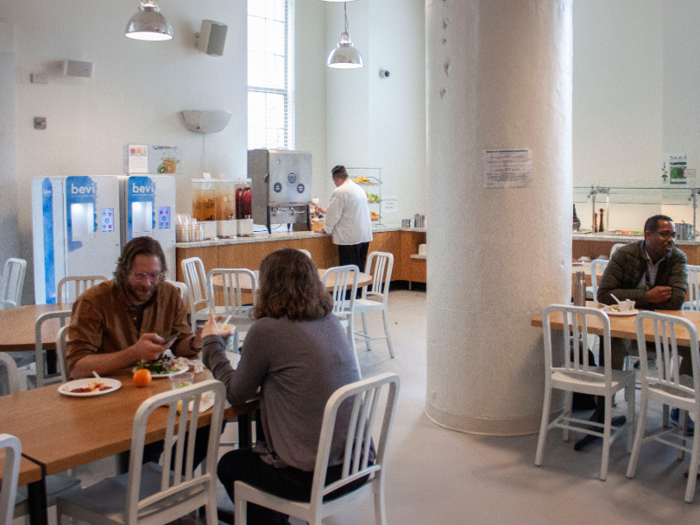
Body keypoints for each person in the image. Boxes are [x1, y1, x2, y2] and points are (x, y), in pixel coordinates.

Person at [201, 248, 368, 525]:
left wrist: (211, 344)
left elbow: (236, 394)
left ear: (267, 287)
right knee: (258, 451)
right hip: (356, 464)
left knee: (230, 465)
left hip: (310, 477)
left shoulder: (267, 330)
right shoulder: (331, 321)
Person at [66, 236, 205, 469]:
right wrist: (133, 353)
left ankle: (169, 478)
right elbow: (77, 368)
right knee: (149, 434)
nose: (148, 283)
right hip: (109, 398)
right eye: (140, 275)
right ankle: (148, 486)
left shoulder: (169, 295)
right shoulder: (94, 302)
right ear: (123, 272)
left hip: (154, 391)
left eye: (155, 275)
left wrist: (197, 342)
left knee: (210, 419)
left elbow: (181, 342)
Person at [596, 214, 692, 431]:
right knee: (611, 337)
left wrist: (631, 299)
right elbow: (605, 293)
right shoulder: (625, 254)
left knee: (694, 347)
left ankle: (681, 406)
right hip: (627, 326)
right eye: (665, 234)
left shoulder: (677, 258)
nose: (671, 240)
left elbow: (677, 299)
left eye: (673, 235)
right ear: (648, 235)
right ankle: (603, 405)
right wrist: (649, 296)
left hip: (663, 329)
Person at [316, 165, 373, 271]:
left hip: (350, 238)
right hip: (364, 236)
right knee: (359, 271)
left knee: (349, 273)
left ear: (337, 179)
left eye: (334, 181)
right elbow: (348, 210)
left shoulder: (340, 191)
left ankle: (351, 288)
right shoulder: (358, 189)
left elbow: (334, 215)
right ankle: (359, 288)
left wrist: (325, 229)